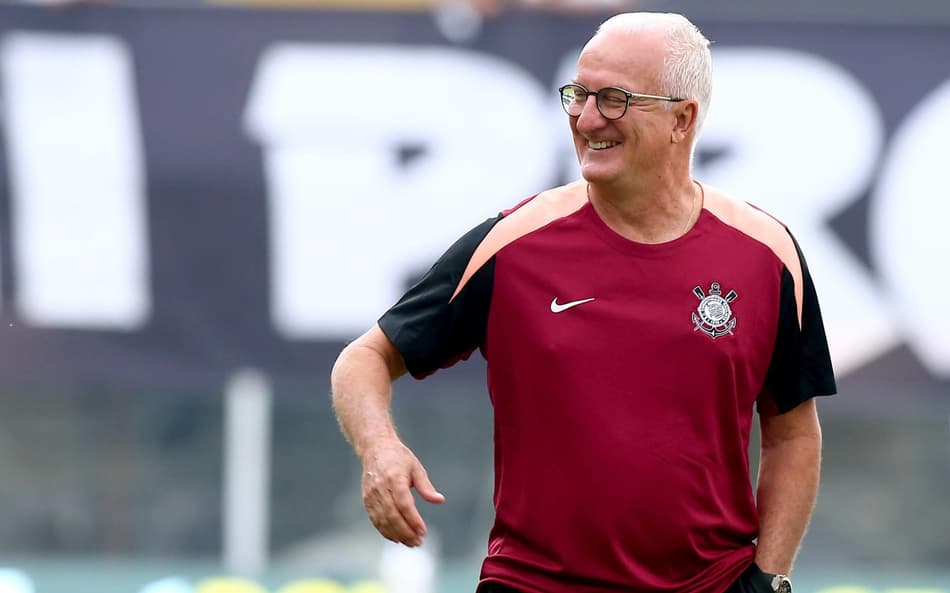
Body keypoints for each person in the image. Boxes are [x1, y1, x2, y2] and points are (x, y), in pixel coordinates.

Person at [331, 11, 836, 593]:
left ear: (683, 118)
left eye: (615, 99)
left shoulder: (766, 254)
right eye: (578, 94)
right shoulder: (512, 244)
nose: (586, 118)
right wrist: (380, 448)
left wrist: (769, 577)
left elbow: (793, 432)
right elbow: (364, 358)